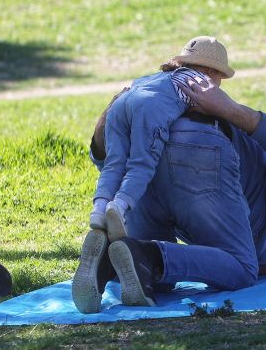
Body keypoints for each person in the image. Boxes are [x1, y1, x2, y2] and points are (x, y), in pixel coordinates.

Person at [72, 54, 266, 313]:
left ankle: (114, 258)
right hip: (200, 147)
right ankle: (147, 256)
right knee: (242, 269)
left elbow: (108, 160)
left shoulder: (162, 90)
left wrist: (113, 113)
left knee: (153, 277)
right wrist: (227, 108)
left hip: (151, 162)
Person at [89, 37, 231, 242]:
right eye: (220, 77)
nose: (218, 84)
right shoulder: (200, 82)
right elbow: (213, 111)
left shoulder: (162, 76)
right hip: (149, 108)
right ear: (212, 71)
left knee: (115, 163)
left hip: (121, 102)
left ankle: (99, 209)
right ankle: (119, 207)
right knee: (141, 163)